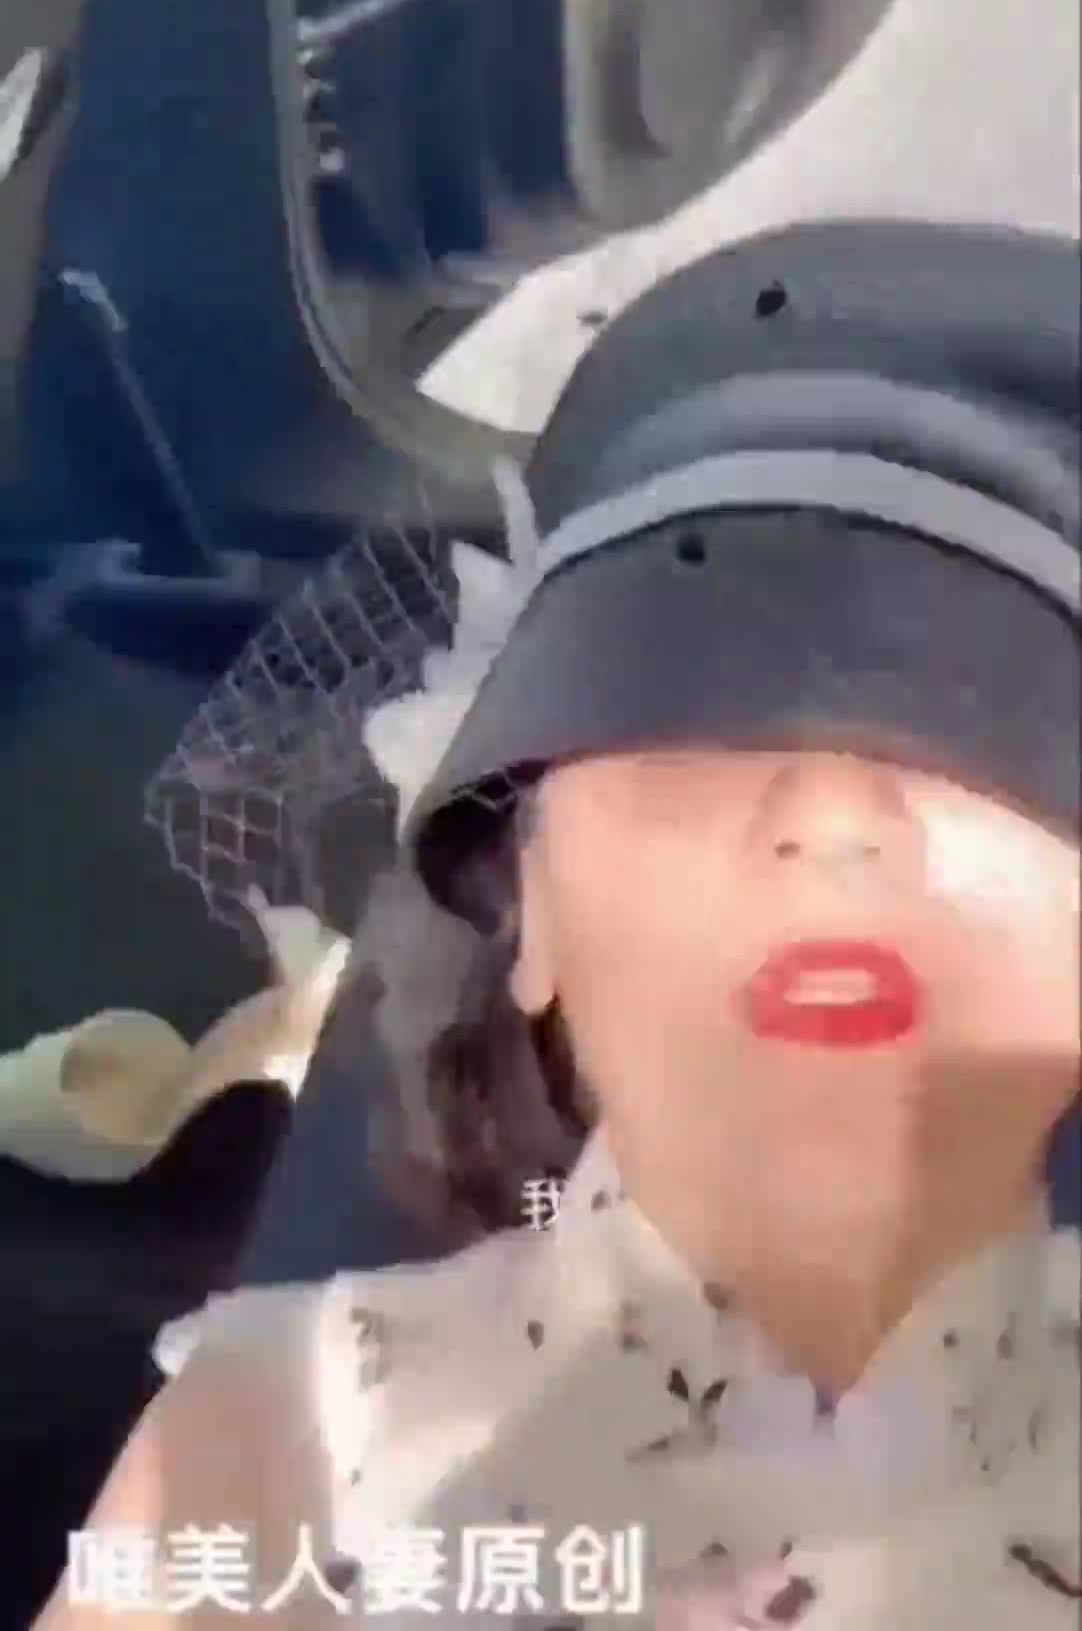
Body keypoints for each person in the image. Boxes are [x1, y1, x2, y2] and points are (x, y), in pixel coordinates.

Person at [36, 222, 1080, 1629]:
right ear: (526, 917)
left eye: (979, 721)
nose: (831, 816)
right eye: (683, 716)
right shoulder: (272, 1439)